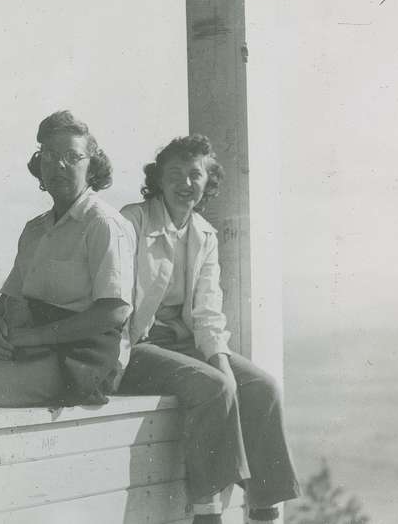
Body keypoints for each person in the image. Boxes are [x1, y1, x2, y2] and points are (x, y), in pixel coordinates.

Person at [118, 135, 299, 523]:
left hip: (184, 348)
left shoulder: (203, 234)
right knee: (216, 386)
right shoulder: (132, 221)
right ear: (159, 180)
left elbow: (207, 312)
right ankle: (208, 510)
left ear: (208, 181)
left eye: (195, 175)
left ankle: (264, 510)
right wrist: (221, 375)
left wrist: (222, 361)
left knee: (261, 388)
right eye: (175, 174)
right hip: (134, 347)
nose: (186, 183)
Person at [0, 111, 134, 408]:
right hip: (32, 345)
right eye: (49, 155)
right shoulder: (36, 229)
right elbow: (10, 297)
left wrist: (34, 338)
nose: (58, 165)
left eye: (72, 156)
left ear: (92, 167)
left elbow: (113, 312)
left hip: (79, 357)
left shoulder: (103, 223)